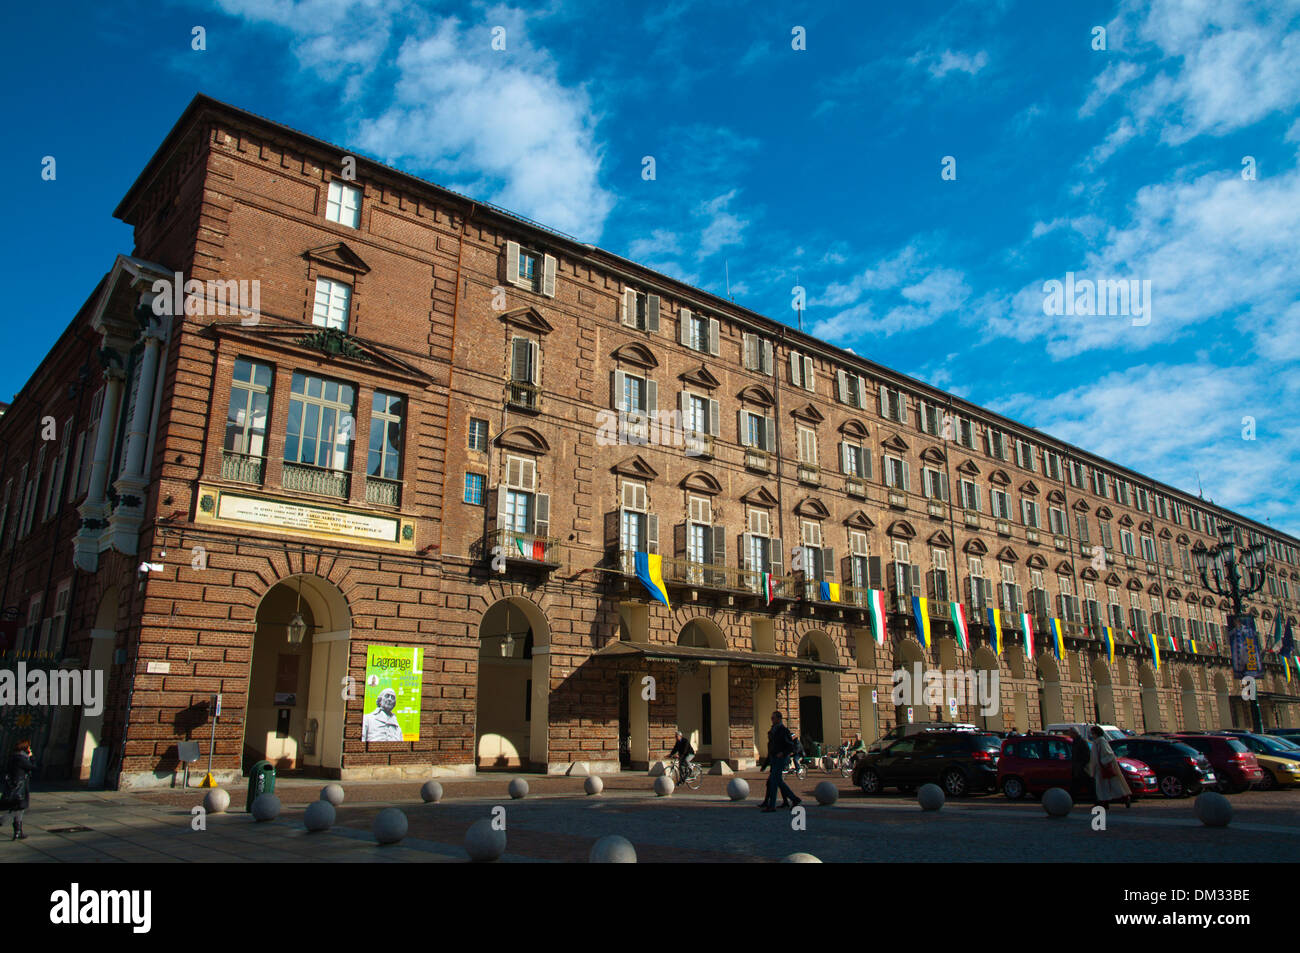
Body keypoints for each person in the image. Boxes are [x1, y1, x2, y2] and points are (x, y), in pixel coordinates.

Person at [761, 711, 802, 812]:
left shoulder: (783, 730)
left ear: (779, 719)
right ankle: (794, 799)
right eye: (771, 718)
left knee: (774, 781)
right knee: (777, 781)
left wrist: (783, 753)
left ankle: (772, 805)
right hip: (774, 758)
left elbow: (790, 746)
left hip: (780, 759)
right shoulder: (773, 730)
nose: (772, 720)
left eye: (773, 718)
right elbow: (771, 748)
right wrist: (766, 763)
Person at [1089, 725, 1132, 809]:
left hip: (1104, 767)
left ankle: (1124, 798)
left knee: (1112, 785)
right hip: (1099, 768)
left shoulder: (1101, 742)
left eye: (1093, 733)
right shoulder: (1097, 742)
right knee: (1103, 786)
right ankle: (1105, 802)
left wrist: (1102, 763)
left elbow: (1109, 754)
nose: (1092, 735)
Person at [1, 740, 34, 841]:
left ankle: (18, 832)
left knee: (19, 809)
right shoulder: (21, 759)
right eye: (29, 747)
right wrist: (32, 757)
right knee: (17, 809)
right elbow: (34, 767)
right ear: (25, 749)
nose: (30, 749)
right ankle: (3, 822)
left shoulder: (14, 757)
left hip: (15, 786)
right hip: (20, 788)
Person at [1067, 728, 1092, 799]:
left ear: (1074, 733)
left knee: (1088, 785)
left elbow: (1086, 755)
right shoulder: (1075, 742)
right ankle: (1071, 800)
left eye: (1070, 733)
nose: (1069, 735)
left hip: (1082, 769)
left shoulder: (1081, 742)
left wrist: (1081, 765)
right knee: (1076, 786)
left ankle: (1098, 802)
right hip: (1078, 768)